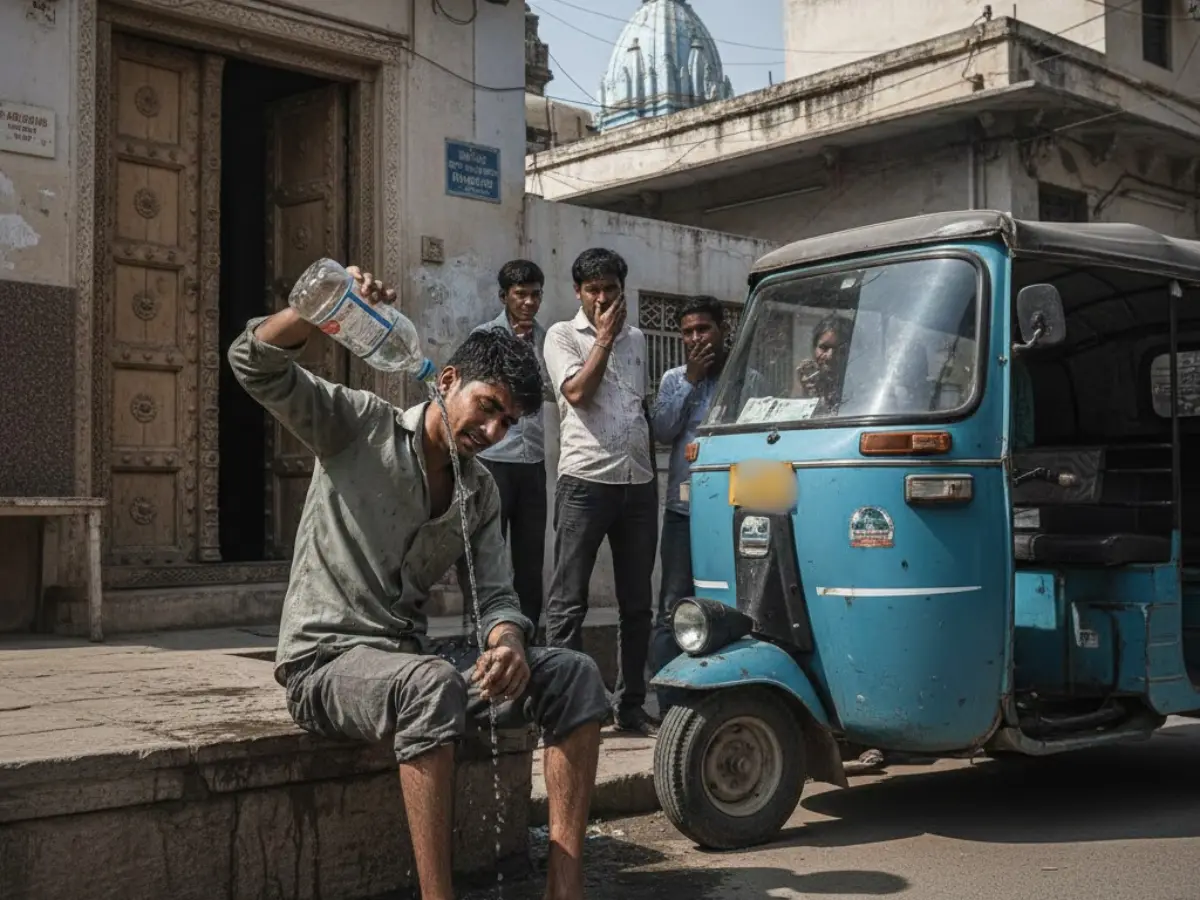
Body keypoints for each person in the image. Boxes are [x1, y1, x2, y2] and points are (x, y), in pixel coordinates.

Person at [228, 266, 608, 900]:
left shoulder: (478, 489)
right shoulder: (359, 426)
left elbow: (497, 596)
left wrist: (509, 641)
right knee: (430, 683)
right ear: (449, 380)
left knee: (574, 673)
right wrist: (321, 311)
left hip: (407, 665)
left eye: (508, 424)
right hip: (326, 666)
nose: (492, 433)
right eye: (488, 409)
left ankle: (564, 888)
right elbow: (253, 365)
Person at [543, 248, 659, 736]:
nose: (602, 298)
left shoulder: (639, 339)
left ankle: (630, 704)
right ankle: (564, 709)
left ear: (621, 288)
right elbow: (576, 394)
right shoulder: (561, 335)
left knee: (637, 605)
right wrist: (604, 341)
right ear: (578, 293)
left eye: (611, 289)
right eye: (593, 290)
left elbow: (640, 405)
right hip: (585, 482)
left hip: (638, 482)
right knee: (569, 602)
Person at [648, 296, 729, 717]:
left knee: (727, 606)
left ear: (722, 329)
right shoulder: (672, 378)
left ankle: (722, 697)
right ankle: (670, 708)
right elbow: (662, 430)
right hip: (682, 512)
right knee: (672, 607)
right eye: (688, 332)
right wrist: (691, 379)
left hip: (731, 511)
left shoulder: (741, 376)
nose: (696, 338)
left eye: (704, 329)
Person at [472, 259, 553, 631]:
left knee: (530, 558)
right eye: (521, 295)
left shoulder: (547, 338)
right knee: (487, 551)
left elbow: (554, 392)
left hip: (532, 463)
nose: (529, 303)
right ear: (504, 296)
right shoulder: (485, 336)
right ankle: (483, 631)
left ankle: (529, 635)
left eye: (535, 295)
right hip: (493, 461)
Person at [794, 315, 853, 414]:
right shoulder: (809, 381)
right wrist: (805, 392)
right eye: (824, 348)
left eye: (840, 350)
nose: (830, 356)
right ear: (814, 349)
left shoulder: (858, 389)